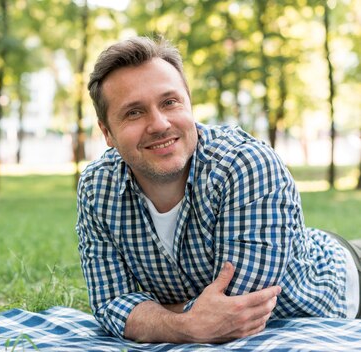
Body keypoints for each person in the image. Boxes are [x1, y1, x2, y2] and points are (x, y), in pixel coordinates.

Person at [76, 36, 361, 344]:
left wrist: (150, 315)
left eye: (170, 102)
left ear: (189, 104)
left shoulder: (246, 164)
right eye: (134, 112)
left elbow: (233, 313)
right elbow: (108, 306)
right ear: (107, 133)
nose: (159, 124)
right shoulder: (97, 188)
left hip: (342, 283)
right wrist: (185, 324)